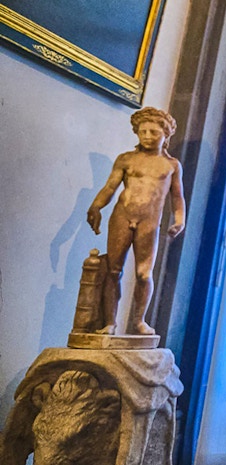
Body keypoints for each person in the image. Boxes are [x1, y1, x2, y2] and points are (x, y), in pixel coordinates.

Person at [86, 107, 186, 336]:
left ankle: (139, 321)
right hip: (122, 216)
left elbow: (177, 196)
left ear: (166, 134)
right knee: (113, 270)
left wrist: (179, 220)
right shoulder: (126, 159)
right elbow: (110, 187)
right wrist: (96, 206)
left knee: (144, 274)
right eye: (143, 132)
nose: (148, 137)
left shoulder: (171, 165)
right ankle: (109, 322)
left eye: (153, 132)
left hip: (149, 221)